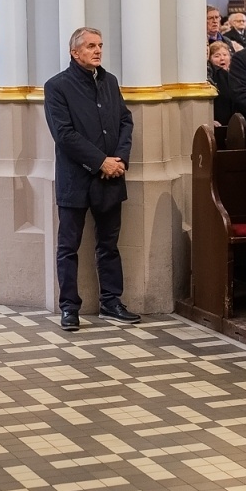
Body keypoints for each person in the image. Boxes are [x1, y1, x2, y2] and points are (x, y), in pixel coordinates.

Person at [45, 28, 138, 332]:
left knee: (109, 244)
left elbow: (125, 120)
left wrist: (120, 159)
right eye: (90, 46)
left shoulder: (109, 82)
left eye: (100, 45)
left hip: (111, 177)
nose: (98, 51)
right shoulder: (57, 87)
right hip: (76, 179)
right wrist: (101, 161)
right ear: (75, 53)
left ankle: (111, 301)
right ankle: (70, 307)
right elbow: (64, 135)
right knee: (68, 246)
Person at [208, 41, 235, 126]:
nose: (222, 58)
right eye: (217, 56)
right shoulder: (212, 76)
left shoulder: (233, 76)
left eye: (225, 55)